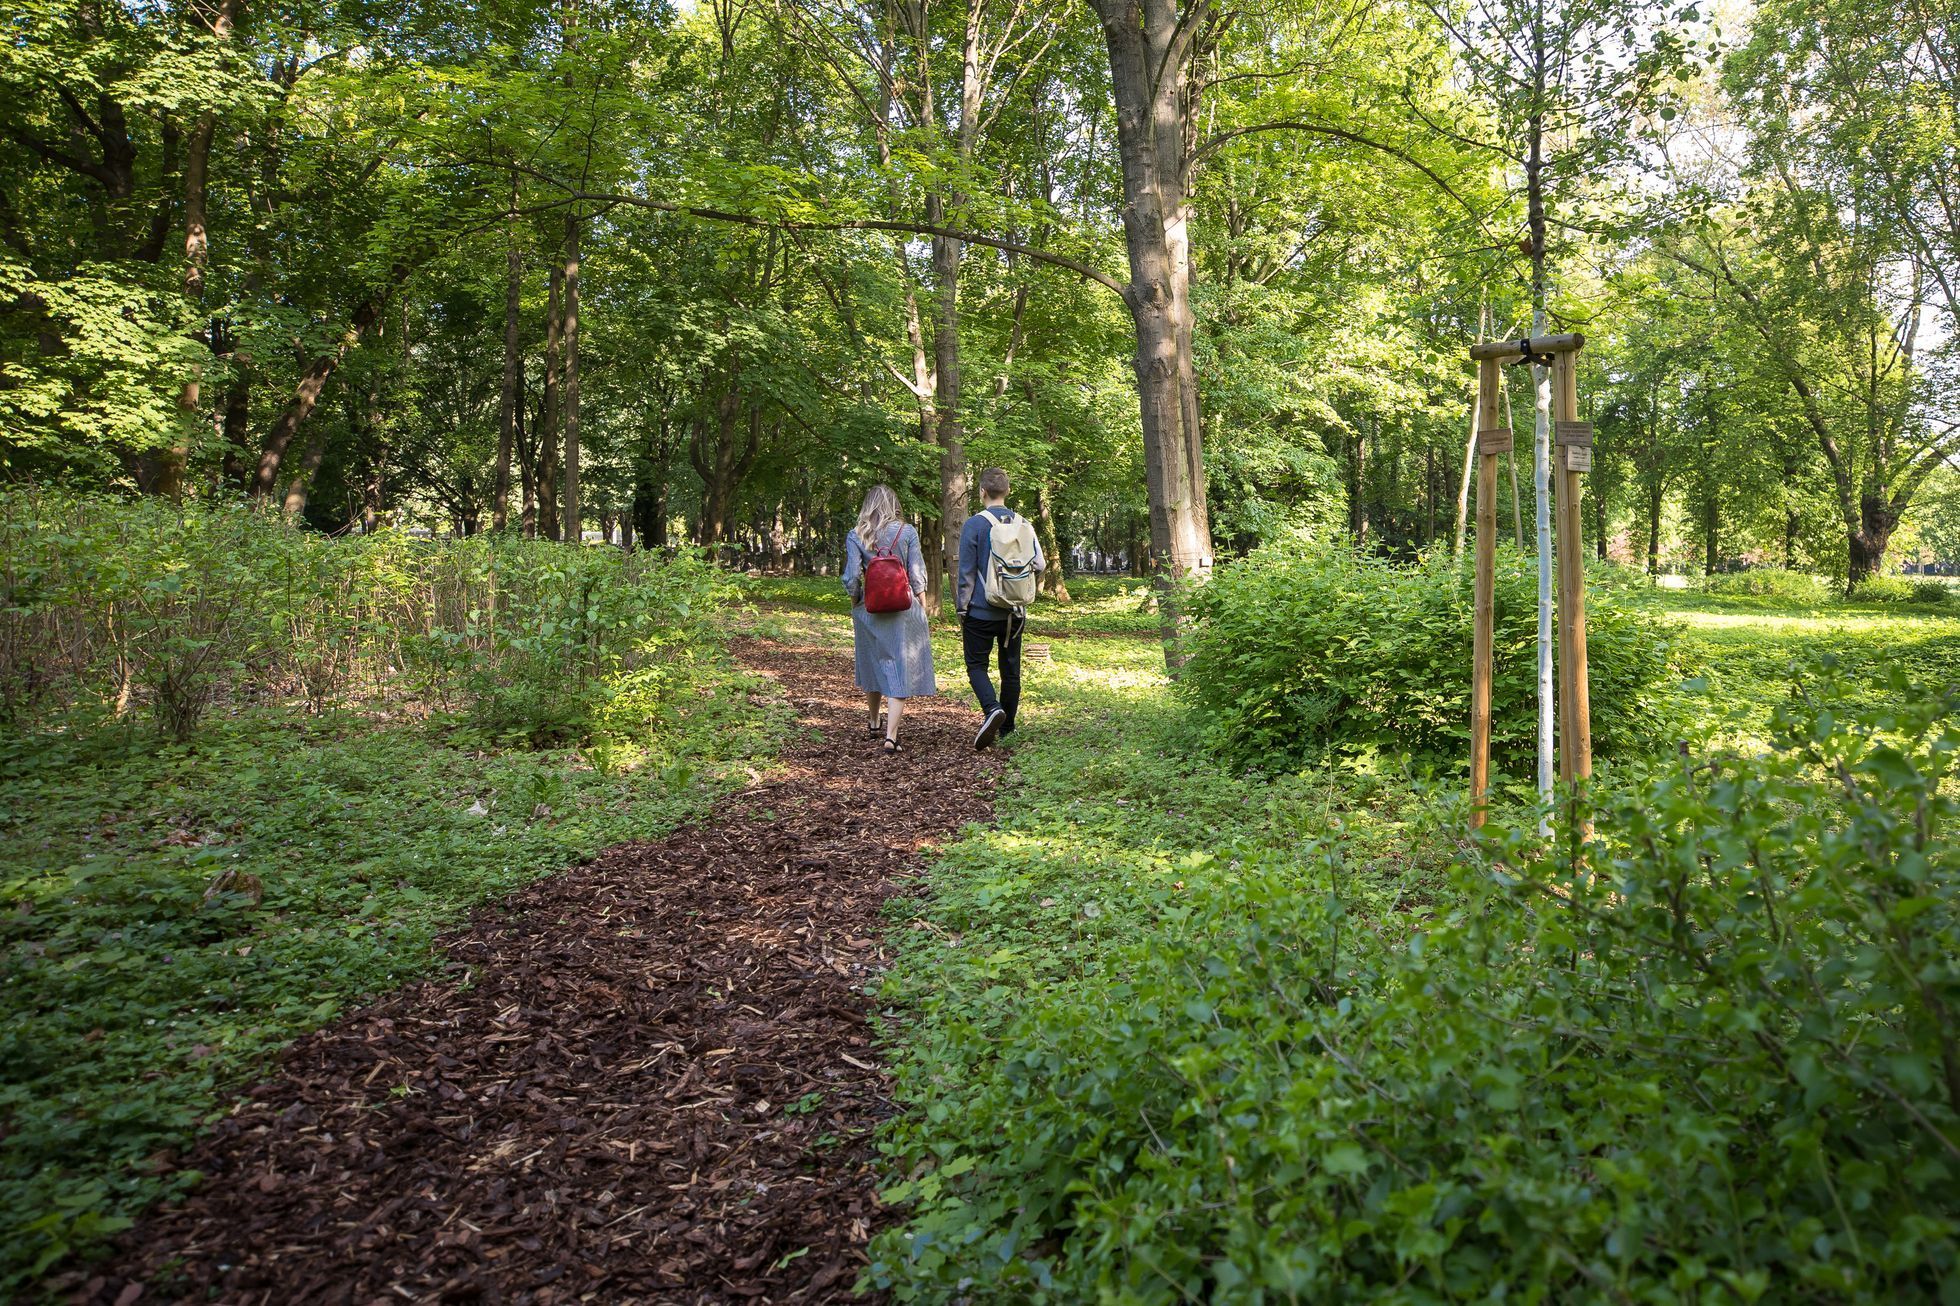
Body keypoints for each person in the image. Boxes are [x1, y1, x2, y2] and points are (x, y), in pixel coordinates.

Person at [842, 484, 935, 753]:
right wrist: (922, 606)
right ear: (894, 504)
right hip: (902, 608)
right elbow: (917, 573)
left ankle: (873, 721)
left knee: (872, 662)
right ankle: (891, 736)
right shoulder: (907, 532)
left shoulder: (856, 534)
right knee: (898, 667)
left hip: (868, 609)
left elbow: (851, 577)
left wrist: (856, 603)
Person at [957, 467, 1044, 750]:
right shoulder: (1024, 523)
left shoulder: (974, 525)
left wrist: (962, 607)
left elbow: (967, 572)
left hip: (981, 611)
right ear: (1007, 492)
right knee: (1011, 668)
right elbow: (1040, 565)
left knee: (976, 665)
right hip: (1015, 613)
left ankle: (992, 708)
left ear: (981, 491)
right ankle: (1007, 729)